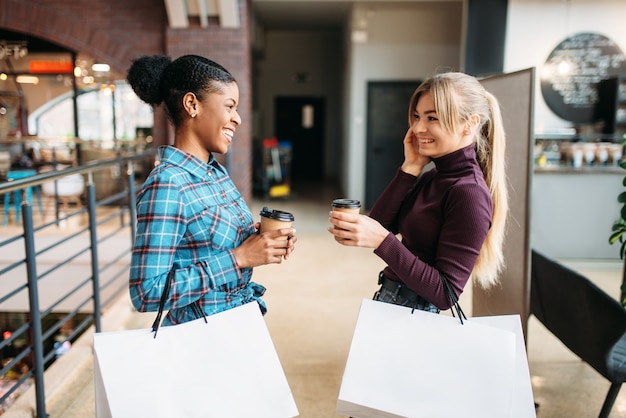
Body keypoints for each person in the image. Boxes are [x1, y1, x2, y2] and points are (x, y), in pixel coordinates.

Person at [127, 54, 296, 325]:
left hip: (236, 325)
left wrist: (260, 242)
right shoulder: (167, 185)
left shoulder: (215, 172)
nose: (237, 119)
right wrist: (239, 258)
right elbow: (146, 293)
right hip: (199, 342)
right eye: (230, 106)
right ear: (192, 104)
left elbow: (205, 243)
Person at [328, 72, 508, 312]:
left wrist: (384, 241)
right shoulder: (434, 176)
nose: (418, 127)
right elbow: (381, 223)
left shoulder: (469, 193)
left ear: (471, 123)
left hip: (418, 314)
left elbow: (446, 293)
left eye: (432, 118)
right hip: (393, 301)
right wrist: (410, 167)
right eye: (416, 116)